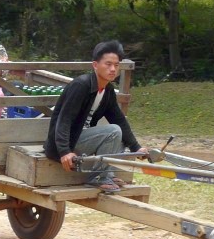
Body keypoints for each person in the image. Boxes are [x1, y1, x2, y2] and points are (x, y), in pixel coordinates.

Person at [44, 40, 148, 192]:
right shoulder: (81, 85)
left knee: (120, 134)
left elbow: (118, 119)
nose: (113, 69)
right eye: (108, 64)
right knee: (113, 131)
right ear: (95, 65)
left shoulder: (108, 91)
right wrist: (64, 151)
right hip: (64, 145)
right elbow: (64, 119)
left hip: (82, 141)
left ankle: (106, 174)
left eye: (116, 65)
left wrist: (136, 147)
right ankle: (98, 177)